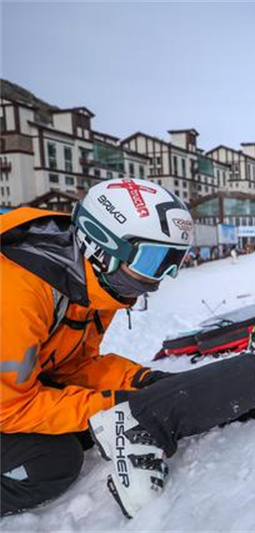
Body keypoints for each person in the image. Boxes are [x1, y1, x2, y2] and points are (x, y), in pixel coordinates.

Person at [0, 178, 191, 516]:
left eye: (172, 262)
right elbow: (8, 408)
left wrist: (138, 381)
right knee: (52, 461)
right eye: (153, 261)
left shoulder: (94, 285)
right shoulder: (18, 293)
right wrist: (113, 404)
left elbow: (72, 366)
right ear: (102, 243)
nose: (160, 278)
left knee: (82, 431)